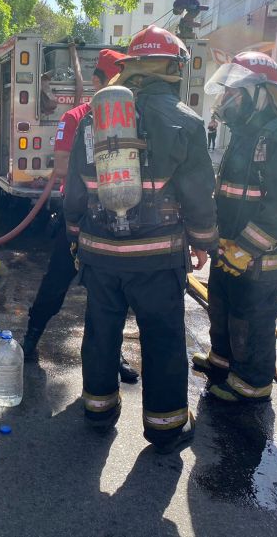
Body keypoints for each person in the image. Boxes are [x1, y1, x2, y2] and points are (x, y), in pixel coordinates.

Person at [63, 25, 218, 453]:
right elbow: (198, 196)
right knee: (163, 339)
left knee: (100, 333)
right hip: (156, 259)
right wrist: (204, 240)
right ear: (171, 68)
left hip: (100, 255)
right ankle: (166, 427)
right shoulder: (186, 121)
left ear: (132, 67)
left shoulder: (94, 117)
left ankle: (98, 409)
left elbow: (74, 190)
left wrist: (75, 234)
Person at [193, 52, 277, 404]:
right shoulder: (246, 135)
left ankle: (251, 383)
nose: (226, 101)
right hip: (231, 251)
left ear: (260, 95)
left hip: (260, 258)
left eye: (234, 93)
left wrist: (247, 248)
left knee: (251, 320)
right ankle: (222, 362)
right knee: (222, 308)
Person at [21, 49, 139, 383]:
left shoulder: (119, 119)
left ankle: (110, 356)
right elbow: (61, 167)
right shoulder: (79, 118)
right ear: (99, 82)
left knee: (110, 294)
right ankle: (30, 339)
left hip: (108, 219)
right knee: (63, 282)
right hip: (81, 219)